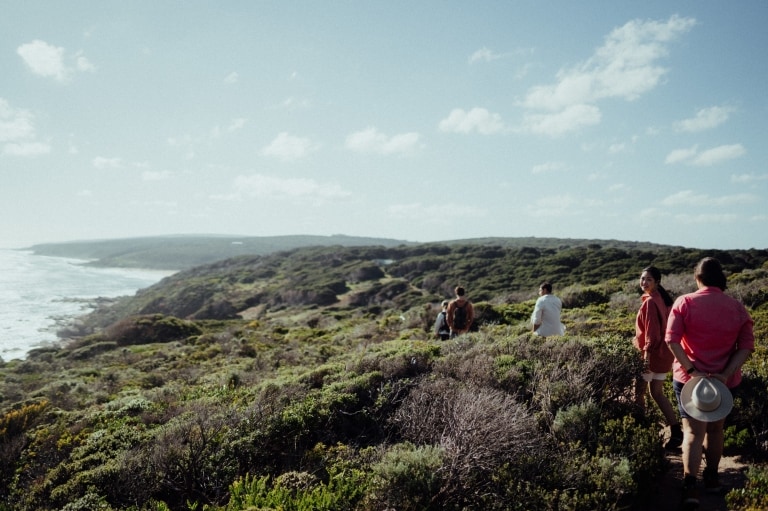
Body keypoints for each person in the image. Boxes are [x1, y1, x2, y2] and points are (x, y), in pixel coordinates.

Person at [665, 257, 754, 509]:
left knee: (692, 432)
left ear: (697, 278)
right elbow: (746, 346)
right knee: (716, 430)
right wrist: (725, 373)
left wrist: (692, 370)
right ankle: (712, 479)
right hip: (723, 384)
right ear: (721, 279)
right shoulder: (736, 307)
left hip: (689, 381)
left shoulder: (685, 302)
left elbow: (671, 340)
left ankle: (690, 486)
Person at [633, 266, 682, 451]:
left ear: (657, 282)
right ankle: (676, 431)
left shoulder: (650, 303)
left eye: (649, 280)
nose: (644, 282)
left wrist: (645, 359)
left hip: (651, 356)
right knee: (657, 393)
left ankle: (640, 434)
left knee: (638, 394)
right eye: (642, 278)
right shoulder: (663, 299)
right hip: (664, 355)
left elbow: (651, 335)